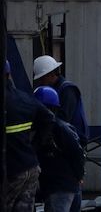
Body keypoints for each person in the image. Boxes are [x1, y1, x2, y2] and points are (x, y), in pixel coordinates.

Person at [5, 60, 55, 212]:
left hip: (11, 171)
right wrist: (35, 146)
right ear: (9, 75)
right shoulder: (25, 99)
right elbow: (49, 118)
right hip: (30, 167)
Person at [33, 86, 85, 212]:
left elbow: (76, 153)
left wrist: (79, 176)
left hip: (60, 188)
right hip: (67, 186)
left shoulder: (55, 128)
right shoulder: (59, 127)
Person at [33, 55, 88, 145]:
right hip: (64, 137)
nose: (41, 81)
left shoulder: (68, 89)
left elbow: (64, 118)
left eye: (42, 77)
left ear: (50, 74)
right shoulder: (53, 89)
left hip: (74, 139)